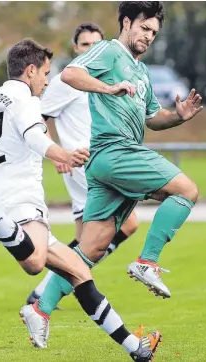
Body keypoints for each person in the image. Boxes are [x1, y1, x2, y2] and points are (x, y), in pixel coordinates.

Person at [0, 38, 162, 361]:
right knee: (34, 263)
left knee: (79, 273)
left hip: (6, 204)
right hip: (19, 201)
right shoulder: (28, 102)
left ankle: (135, 348)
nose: (47, 81)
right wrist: (64, 154)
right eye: (45, 73)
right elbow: (34, 136)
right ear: (30, 71)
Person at [30, 1, 204, 344]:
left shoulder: (142, 72)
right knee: (187, 190)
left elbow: (152, 118)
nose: (149, 36)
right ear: (126, 22)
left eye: (154, 32)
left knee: (90, 248)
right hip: (116, 151)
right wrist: (108, 87)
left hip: (106, 163)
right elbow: (70, 74)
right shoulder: (110, 51)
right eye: (144, 28)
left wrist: (179, 116)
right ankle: (147, 262)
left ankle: (40, 308)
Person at [26, 22, 139, 305]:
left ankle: (49, 290)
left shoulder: (106, 79)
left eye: (96, 44)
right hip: (84, 164)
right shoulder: (67, 80)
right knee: (128, 223)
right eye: (85, 44)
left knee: (84, 236)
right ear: (76, 48)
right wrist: (57, 154)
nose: (90, 49)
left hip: (101, 160)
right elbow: (39, 117)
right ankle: (57, 285)